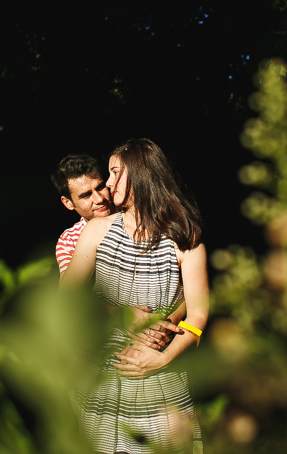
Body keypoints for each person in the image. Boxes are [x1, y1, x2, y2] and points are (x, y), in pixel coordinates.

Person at [62, 138, 208, 454]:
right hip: (103, 374)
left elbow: (198, 314)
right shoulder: (97, 230)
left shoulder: (186, 240)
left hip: (161, 374)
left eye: (115, 173)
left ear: (142, 175)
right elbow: (68, 297)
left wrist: (164, 356)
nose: (108, 183)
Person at [50, 154, 113, 279]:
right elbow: (67, 292)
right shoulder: (69, 241)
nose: (99, 199)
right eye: (86, 195)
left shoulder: (133, 216)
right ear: (68, 203)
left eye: (100, 187)